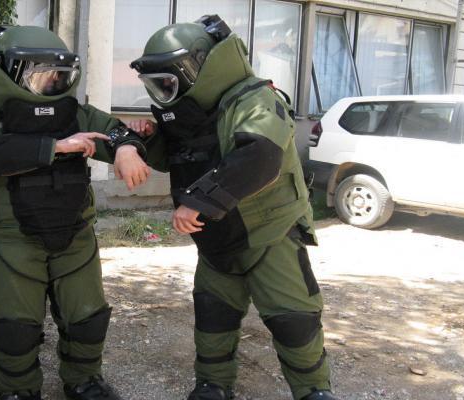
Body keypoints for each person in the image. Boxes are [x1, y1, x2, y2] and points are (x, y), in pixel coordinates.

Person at [126, 15, 338, 400]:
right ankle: (212, 384)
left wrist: (196, 203)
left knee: (293, 319)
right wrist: (148, 139)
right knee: (213, 315)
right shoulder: (192, 112)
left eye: (167, 82)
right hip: (217, 238)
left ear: (196, 68)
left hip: (269, 233)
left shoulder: (255, 98)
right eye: (156, 85)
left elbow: (260, 157)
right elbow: (179, 157)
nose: (164, 93)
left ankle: (313, 390)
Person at [0, 25, 149, 400]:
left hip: (75, 233)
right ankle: (17, 390)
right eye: (41, 74)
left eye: (58, 75)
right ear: (9, 72)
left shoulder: (74, 113)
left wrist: (126, 148)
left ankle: (84, 380)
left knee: (87, 317)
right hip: (13, 236)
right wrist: (56, 147)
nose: (52, 83)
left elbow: (115, 131)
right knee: (14, 326)